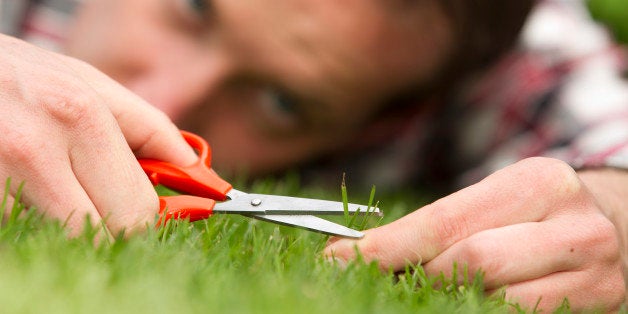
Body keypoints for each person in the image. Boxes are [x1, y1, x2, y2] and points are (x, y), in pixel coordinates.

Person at [1, 0, 626, 310]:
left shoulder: (508, 49)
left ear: (394, 118)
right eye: (193, 8)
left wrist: (608, 219)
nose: (160, 97)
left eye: (282, 102)